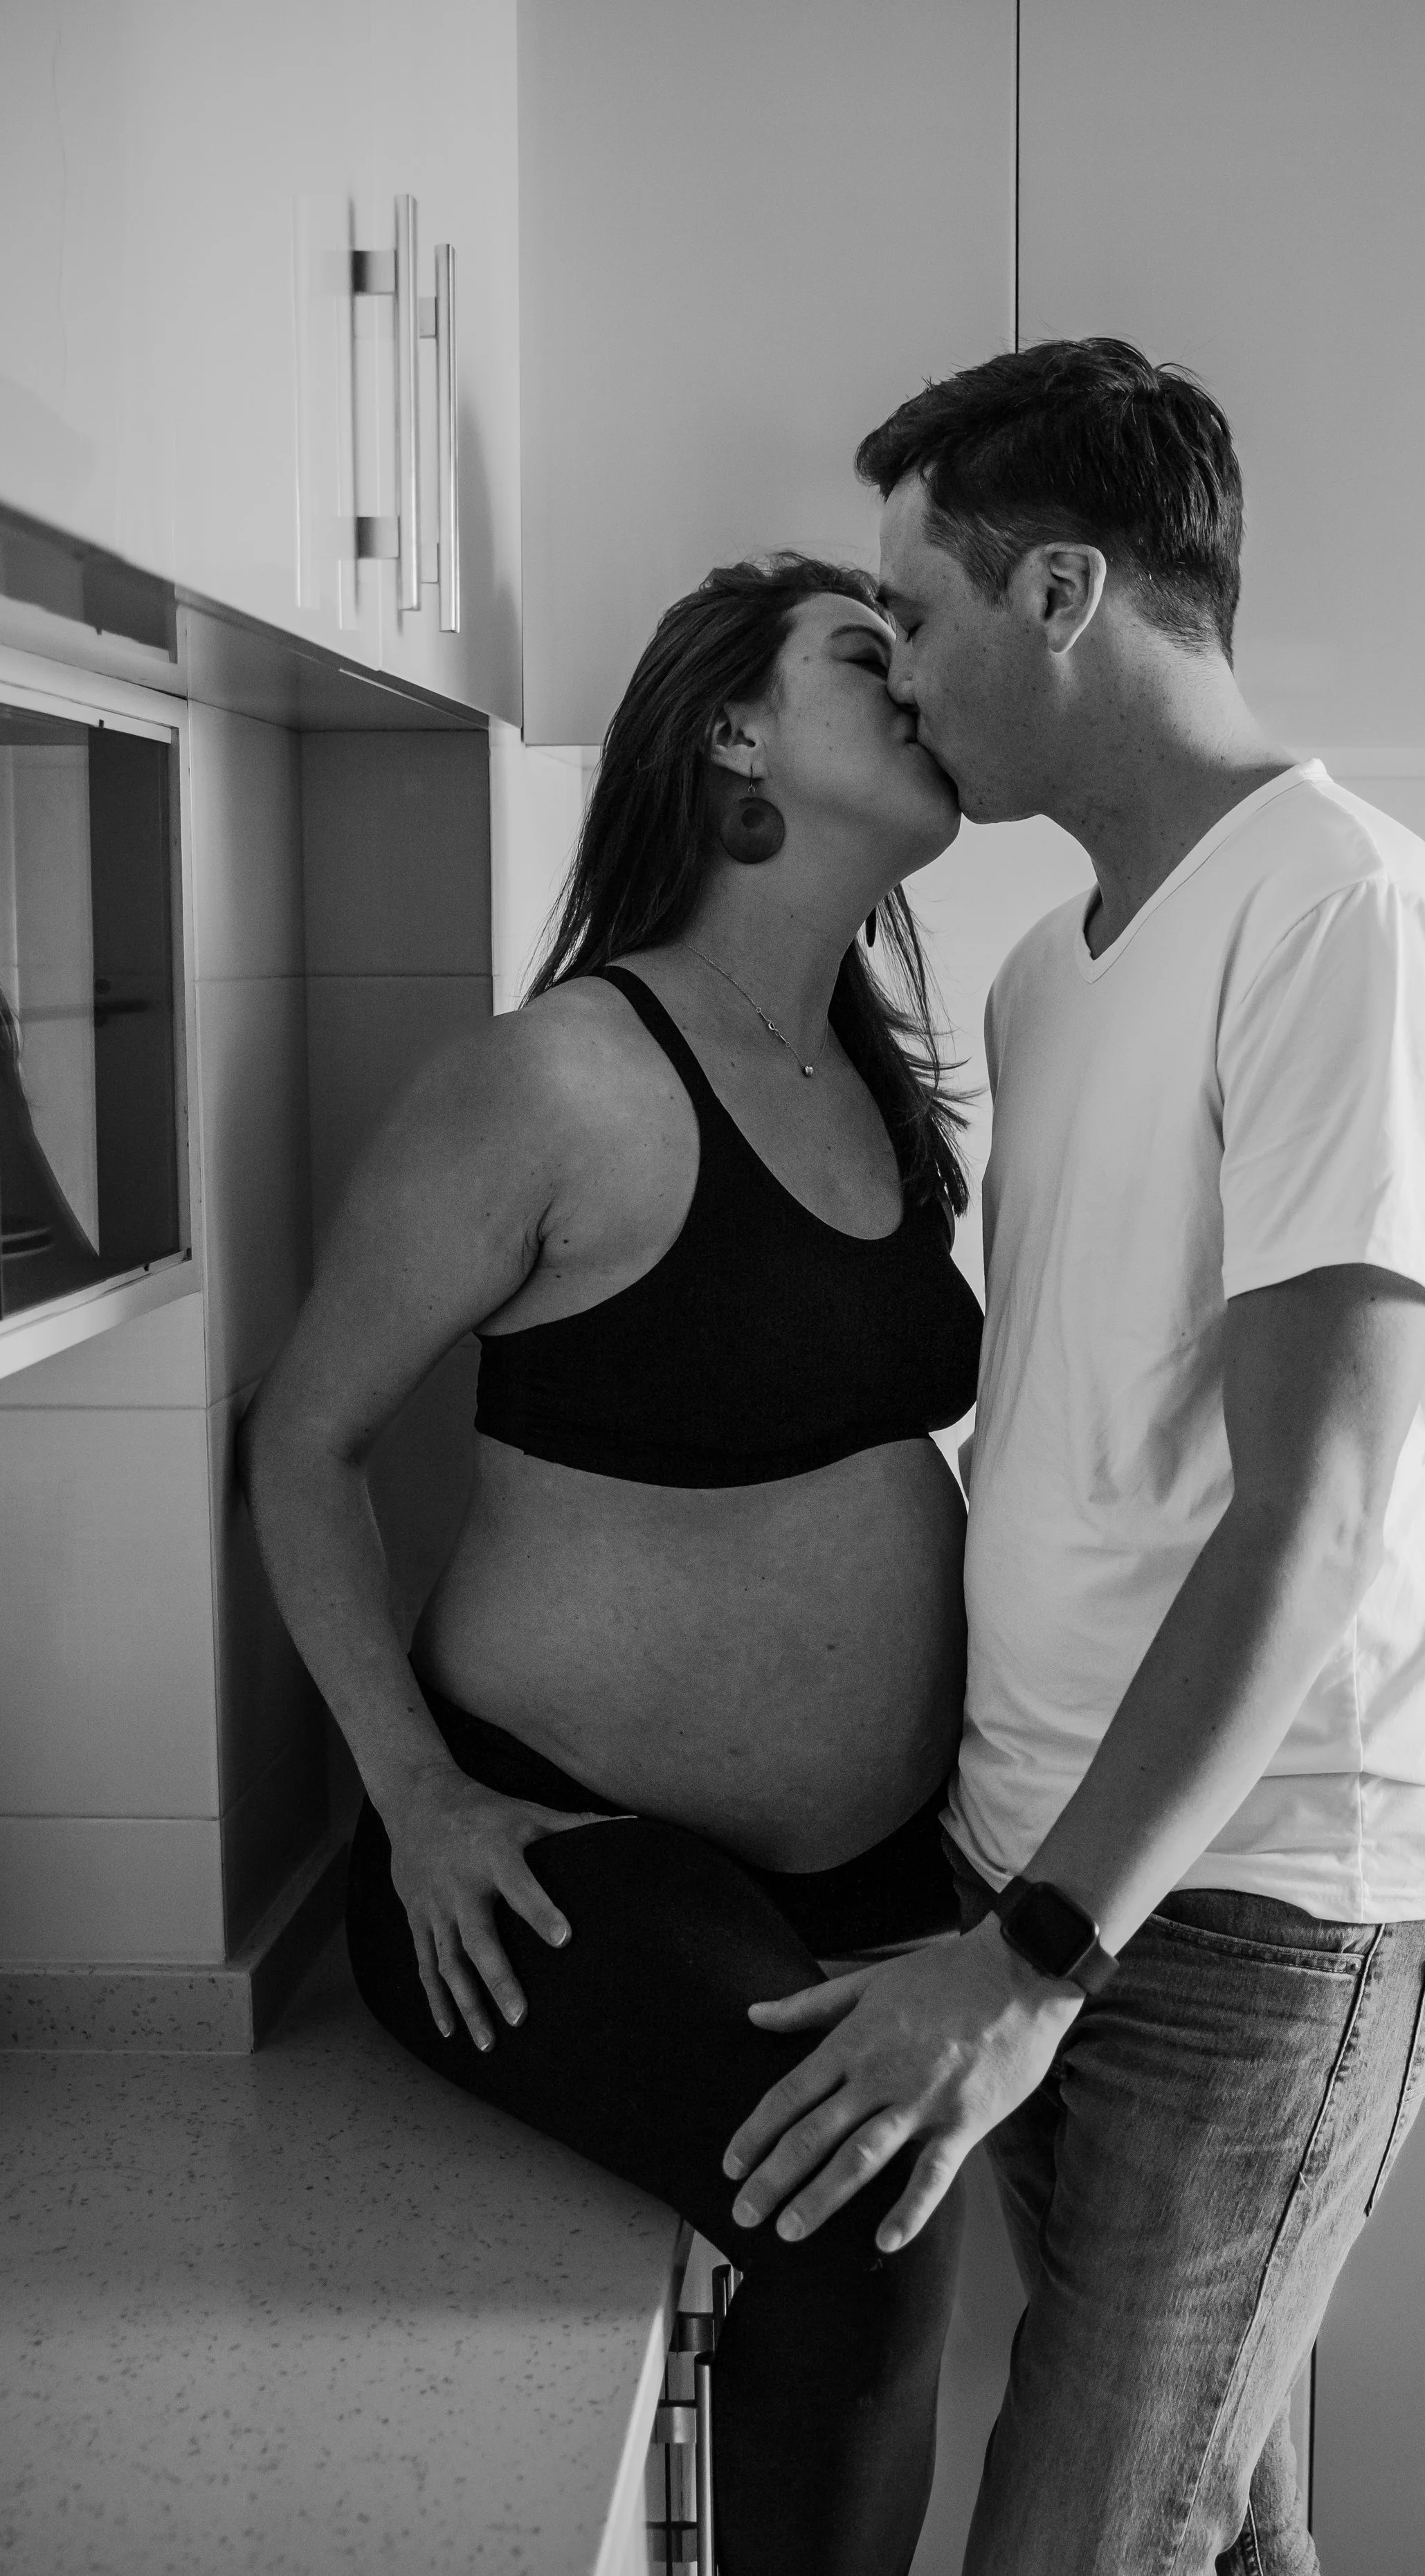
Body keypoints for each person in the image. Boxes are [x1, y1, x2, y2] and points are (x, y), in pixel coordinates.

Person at [720, 340, 1425, 2576]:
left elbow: (1316, 1508)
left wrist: (1037, 1954)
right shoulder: (1051, 972)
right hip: (1038, 1855)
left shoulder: (1340, 912)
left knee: (1079, 2546)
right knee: (1200, 2533)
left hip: (1241, 1906)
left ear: (1063, 588)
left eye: (925, 614)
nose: (905, 671)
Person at [240, 554, 987, 2576]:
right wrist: (410, 1799)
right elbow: (302, 1445)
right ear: (729, 729)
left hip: (888, 1850)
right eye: (865, 652)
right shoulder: (556, 1077)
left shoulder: (866, 1069)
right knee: (861, 2216)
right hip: (563, 1849)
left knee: (1334, 1825)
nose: (917, 675)